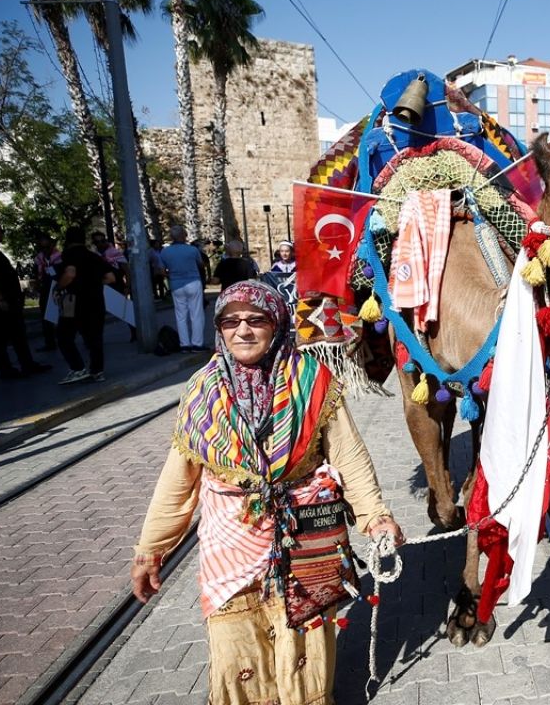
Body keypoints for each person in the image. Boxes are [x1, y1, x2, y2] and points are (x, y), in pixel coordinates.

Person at [131, 280, 404, 705]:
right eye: (230, 321)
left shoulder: (314, 381)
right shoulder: (201, 392)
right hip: (230, 543)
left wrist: (376, 516)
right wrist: (151, 549)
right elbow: (177, 480)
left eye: (256, 320)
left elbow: (348, 454)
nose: (243, 330)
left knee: (305, 642)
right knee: (236, 645)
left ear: (275, 324)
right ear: (218, 329)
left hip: (307, 534)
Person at [0, 219, 52, 380]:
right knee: (0, 334)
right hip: (0, 301)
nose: (2, 233)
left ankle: (26, 363)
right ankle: (6, 369)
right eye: (1, 230)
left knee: (18, 333)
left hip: (9, 298)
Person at [56, 225, 112, 384]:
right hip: (96, 301)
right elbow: (110, 278)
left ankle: (77, 368)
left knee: (64, 336)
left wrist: (59, 286)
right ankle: (97, 371)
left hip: (74, 302)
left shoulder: (69, 255)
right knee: (95, 337)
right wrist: (93, 282)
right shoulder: (95, 256)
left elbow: (70, 274)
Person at [162, 225, 208, 351]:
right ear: (184, 236)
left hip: (176, 284)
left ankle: (184, 344)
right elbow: (200, 264)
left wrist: (171, 274)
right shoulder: (192, 250)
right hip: (193, 281)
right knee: (196, 313)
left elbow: (161, 270)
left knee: (180, 315)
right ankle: (197, 343)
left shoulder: (165, 252)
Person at [33, 233, 62, 352]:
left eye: (47, 246)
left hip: (58, 288)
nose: (45, 249)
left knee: (65, 316)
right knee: (46, 317)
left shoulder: (59, 257)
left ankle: (66, 340)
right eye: (42, 247)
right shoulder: (39, 259)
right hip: (45, 289)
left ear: (52, 245)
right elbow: (36, 274)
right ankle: (50, 343)